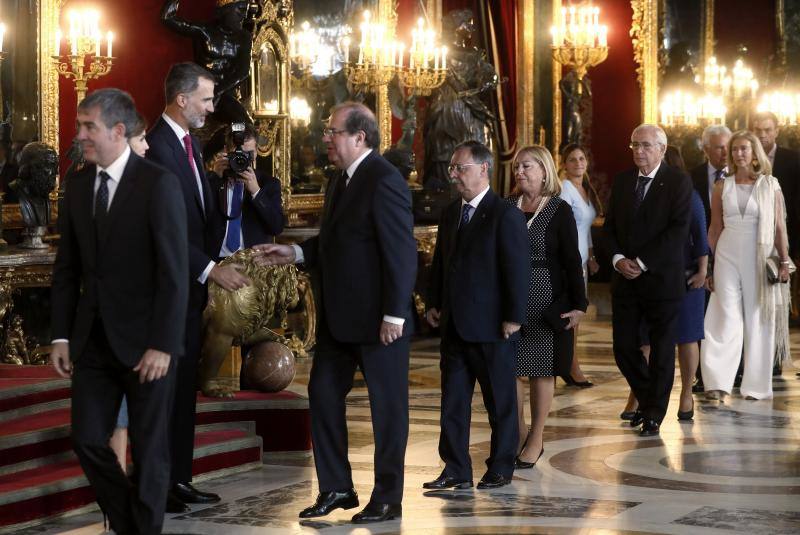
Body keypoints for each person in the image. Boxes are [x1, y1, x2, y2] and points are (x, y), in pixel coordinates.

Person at [253, 102, 417, 523]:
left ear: (360, 137)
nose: (327, 138)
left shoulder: (385, 179)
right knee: (323, 394)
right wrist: (291, 251)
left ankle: (387, 498)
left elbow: (400, 252)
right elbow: (335, 242)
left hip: (380, 323)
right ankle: (337, 487)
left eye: (334, 132)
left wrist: (395, 315)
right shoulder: (339, 181)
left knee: (388, 410)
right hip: (340, 319)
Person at [50, 88, 189, 535]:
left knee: (150, 452)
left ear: (118, 131)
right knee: (87, 440)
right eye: (80, 125)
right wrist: (61, 336)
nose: (81, 135)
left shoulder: (157, 183)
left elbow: (174, 272)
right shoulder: (75, 185)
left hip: (148, 344)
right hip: (93, 341)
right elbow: (68, 269)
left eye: (89, 126)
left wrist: (163, 344)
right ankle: (132, 525)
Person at [146, 62, 248, 512]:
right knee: (165, 393)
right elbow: (164, 230)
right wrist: (210, 269)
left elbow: (200, 214)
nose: (212, 108)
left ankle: (179, 479)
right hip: (168, 291)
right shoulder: (155, 147)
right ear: (181, 99)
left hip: (190, 293)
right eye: (206, 99)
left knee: (185, 389)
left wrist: (221, 182)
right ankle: (158, 484)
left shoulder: (190, 145)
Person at [423, 140, 528, 490]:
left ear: (484, 169)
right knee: (453, 402)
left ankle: (500, 466)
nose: (454, 175)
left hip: (493, 326)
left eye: (461, 168)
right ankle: (455, 467)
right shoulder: (452, 212)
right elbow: (442, 263)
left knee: (499, 402)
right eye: (452, 168)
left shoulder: (504, 213)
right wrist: (434, 301)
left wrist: (514, 315)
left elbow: (516, 268)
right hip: (454, 324)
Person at [604, 124, 691, 437]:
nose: (639, 151)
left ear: (661, 149)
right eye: (634, 145)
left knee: (663, 350)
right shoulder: (623, 180)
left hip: (661, 281)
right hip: (625, 281)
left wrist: (641, 262)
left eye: (645, 145)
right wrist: (618, 260)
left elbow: (678, 231)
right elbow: (610, 226)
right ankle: (648, 398)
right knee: (623, 348)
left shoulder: (678, 181)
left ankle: (654, 413)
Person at [508, 145, 586, 468]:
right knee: (510, 369)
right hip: (510, 297)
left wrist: (579, 304)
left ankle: (536, 436)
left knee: (541, 370)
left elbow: (572, 261)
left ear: (544, 171)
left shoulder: (558, 209)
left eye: (526, 166)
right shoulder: (506, 207)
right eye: (516, 168)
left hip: (546, 299)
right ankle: (518, 430)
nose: (520, 172)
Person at [701, 130, 790, 400]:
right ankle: (718, 382)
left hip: (759, 254)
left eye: (744, 149)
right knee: (724, 315)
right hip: (727, 253)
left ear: (754, 154)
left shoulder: (769, 184)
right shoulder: (722, 186)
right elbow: (715, 228)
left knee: (757, 317)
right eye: (735, 149)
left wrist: (784, 261)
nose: (739, 153)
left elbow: (778, 227)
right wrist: (708, 265)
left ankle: (756, 386)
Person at [108, 111, 150, 472]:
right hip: (113, 319)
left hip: (141, 319)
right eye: (142, 140)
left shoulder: (151, 188)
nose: (147, 147)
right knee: (117, 412)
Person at [751, 111, 800, 376]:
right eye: (757, 129)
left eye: (767, 129)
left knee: (786, 303)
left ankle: (779, 355)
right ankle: (764, 360)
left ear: (777, 130)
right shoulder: (746, 160)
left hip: (790, 240)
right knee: (763, 302)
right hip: (755, 243)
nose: (762, 134)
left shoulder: (794, 160)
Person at [558, 143, 602, 387]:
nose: (578, 163)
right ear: (564, 164)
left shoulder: (584, 188)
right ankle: (570, 366)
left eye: (581, 158)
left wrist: (593, 256)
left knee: (576, 315)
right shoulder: (565, 189)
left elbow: (585, 229)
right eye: (572, 160)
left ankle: (569, 364)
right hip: (570, 261)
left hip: (583, 259)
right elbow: (564, 228)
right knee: (572, 314)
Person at [207, 122, 284, 258]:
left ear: (256, 152)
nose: (243, 158)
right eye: (238, 153)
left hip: (253, 263)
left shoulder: (269, 184)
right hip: (215, 264)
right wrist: (214, 179)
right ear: (226, 151)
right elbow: (198, 221)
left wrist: (256, 192)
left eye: (249, 153)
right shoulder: (211, 180)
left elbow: (276, 228)